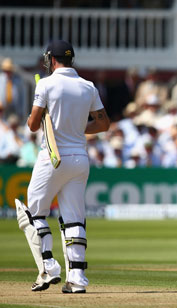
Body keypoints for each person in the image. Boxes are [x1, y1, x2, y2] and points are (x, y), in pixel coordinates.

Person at [15, 40, 110, 293]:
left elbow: (33, 125)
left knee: (34, 212)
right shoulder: (88, 86)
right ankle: (77, 278)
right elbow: (103, 124)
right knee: (74, 218)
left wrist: (36, 115)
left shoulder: (46, 84)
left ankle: (49, 267)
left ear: (52, 59)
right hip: (80, 158)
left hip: (52, 157)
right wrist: (78, 129)